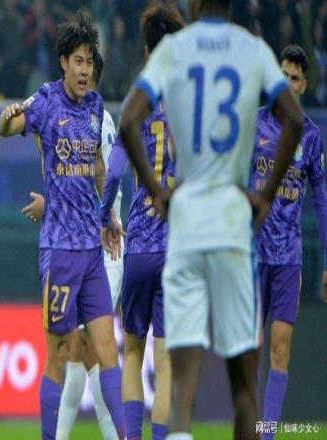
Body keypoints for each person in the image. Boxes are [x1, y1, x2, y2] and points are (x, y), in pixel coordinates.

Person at [117, 0, 304, 439]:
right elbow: (295, 119)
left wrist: (157, 190)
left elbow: (128, 120)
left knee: (181, 383)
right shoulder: (253, 49)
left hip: (185, 226)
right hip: (234, 226)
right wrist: (264, 197)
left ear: (197, 4)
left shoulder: (173, 50)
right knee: (244, 389)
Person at [0, 12, 126, 440]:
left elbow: (100, 168)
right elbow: (8, 128)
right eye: (78, 62)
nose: (85, 70)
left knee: (107, 352)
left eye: (89, 62)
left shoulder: (95, 107)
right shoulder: (46, 101)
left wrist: (108, 215)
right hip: (59, 252)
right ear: (63, 63)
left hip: (91, 251)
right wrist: (7, 117)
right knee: (61, 354)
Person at [100, 4, 183, 440]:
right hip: (176, 249)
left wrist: (106, 216)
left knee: (132, 352)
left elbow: (114, 173)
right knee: (165, 363)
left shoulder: (136, 101)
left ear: (147, 50)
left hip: (140, 247)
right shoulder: (188, 103)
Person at [251, 44, 327, 440]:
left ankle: (266, 435)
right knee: (250, 349)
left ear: (303, 85)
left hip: (288, 258)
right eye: (282, 75)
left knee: (280, 349)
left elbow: (322, 200)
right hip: (253, 256)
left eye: (295, 78)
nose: (287, 82)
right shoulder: (255, 125)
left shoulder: (311, 137)